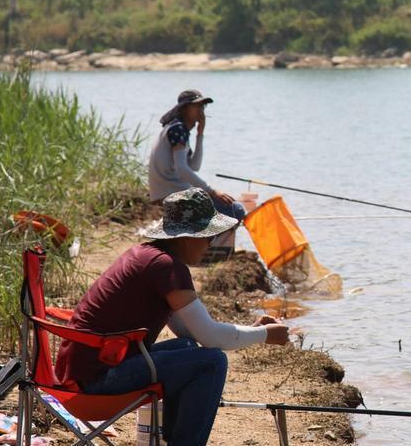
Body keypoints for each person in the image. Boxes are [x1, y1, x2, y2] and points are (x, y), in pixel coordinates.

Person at [55, 188, 289, 446]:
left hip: (84, 371)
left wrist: (251, 330)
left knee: (189, 348)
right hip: (95, 381)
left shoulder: (147, 256)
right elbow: (210, 337)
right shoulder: (168, 268)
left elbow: (191, 333)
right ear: (188, 237)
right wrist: (265, 335)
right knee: (212, 362)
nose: (210, 244)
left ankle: (171, 441)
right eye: (208, 237)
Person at [149, 89, 242, 249]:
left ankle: (200, 245)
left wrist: (200, 133)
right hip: (172, 192)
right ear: (185, 108)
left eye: (202, 106)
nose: (201, 110)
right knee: (235, 210)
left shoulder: (177, 129)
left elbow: (194, 166)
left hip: (169, 190)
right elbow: (182, 170)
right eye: (197, 106)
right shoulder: (178, 129)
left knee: (226, 209)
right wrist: (211, 191)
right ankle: (205, 249)